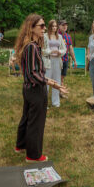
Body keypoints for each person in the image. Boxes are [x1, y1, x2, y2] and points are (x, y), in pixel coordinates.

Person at [14, 14, 68, 163]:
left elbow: (35, 73)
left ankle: (21, 145)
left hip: (29, 88)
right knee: (36, 123)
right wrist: (51, 83)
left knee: (27, 117)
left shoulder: (33, 45)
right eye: (41, 26)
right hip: (35, 89)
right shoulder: (31, 47)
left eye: (45, 25)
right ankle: (33, 155)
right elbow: (33, 74)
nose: (44, 29)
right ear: (31, 28)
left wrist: (54, 83)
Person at [43, 20, 66, 108]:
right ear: (49, 27)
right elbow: (42, 49)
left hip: (57, 60)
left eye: (55, 26)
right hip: (48, 60)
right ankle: (44, 103)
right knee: (47, 81)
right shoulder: (45, 36)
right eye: (52, 26)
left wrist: (60, 52)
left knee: (57, 80)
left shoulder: (59, 37)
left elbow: (64, 49)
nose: (54, 28)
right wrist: (51, 51)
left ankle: (56, 102)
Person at [58, 20, 77, 96]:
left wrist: (74, 60)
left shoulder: (68, 36)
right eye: (63, 25)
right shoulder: (55, 35)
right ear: (59, 26)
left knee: (62, 77)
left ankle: (60, 92)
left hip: (65, 60)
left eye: (66, 25)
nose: (65, 26)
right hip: (57, 60)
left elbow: (70, 49)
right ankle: (58, 93)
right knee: (57, 77)